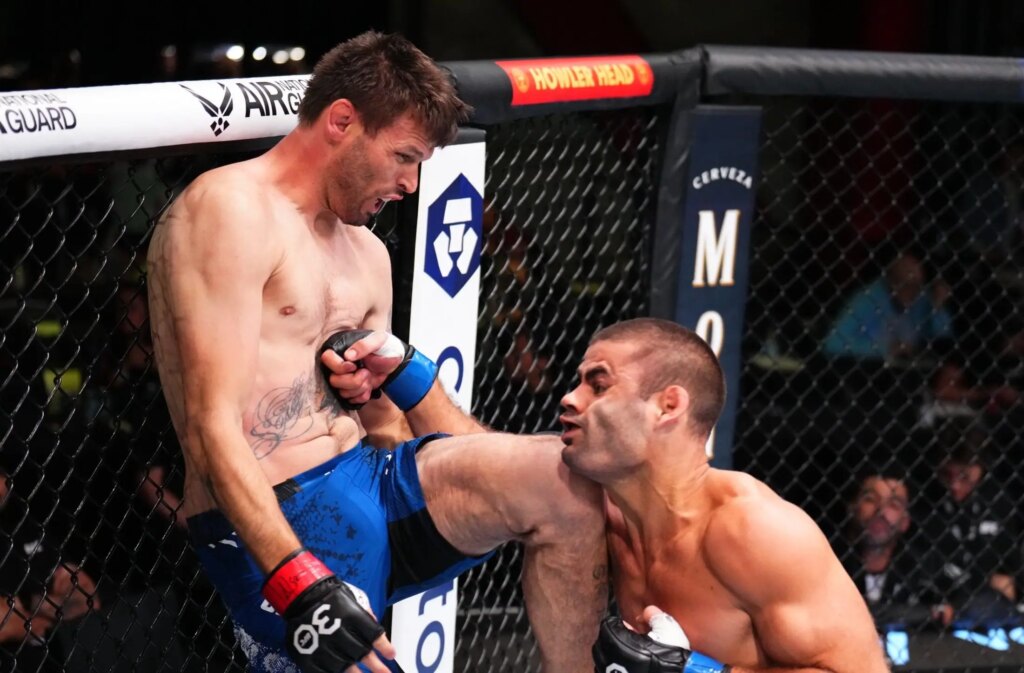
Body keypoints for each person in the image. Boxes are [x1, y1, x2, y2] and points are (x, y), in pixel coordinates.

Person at [147, 31, 605, 673]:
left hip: (373, 483)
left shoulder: (367, 252)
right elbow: (210, 428)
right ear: (342, 121)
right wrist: (297, 580)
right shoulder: (229, 210)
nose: (410, 184)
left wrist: (397, 386)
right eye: (404, 157)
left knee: (568, 488)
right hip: (279, 520)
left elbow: (390, 429)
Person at [557, 318, 887, 672]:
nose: (570, 398)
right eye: (579, 383)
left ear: (668, 406)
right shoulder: (584, 499)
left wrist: (698, 671)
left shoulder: (755, 530)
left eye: (599, 385)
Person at [823, 252, 952, 362]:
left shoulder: (922, 299)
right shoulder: (867, 300)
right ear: (893, 282)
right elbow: (833, 343)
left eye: (916, 288)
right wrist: (886, 348)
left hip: (911, 367)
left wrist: (938, 308)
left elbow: (942, 338)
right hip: (869, 366)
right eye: (907, 288)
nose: (912, 297)